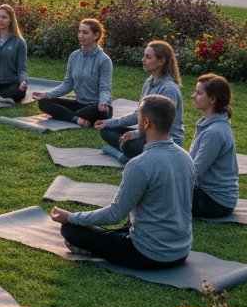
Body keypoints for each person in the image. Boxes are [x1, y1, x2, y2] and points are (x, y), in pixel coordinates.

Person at [50, 94, 194, 270]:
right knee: (125, 224)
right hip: (181, 250)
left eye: (138, 116)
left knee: (70, 230)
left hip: (149, 254)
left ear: (147, 122)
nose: (137, 121)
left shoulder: (139, 165)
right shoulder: (186, 158)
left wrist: (71, 217)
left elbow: (115, 214)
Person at [95, 40, 184, 163]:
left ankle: (120, 155)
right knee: (106, 130)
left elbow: (160, 126)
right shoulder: (149, 82)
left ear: (162, 61)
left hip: (164, 141)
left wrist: (135, 134)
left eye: (148, 57)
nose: (143, 59)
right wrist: (109, 123)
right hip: (147, 133)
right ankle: (130, 153)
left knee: (128, 145)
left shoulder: (169, 89)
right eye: (144, 56)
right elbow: (138, 113)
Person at [32, 19, 113, 127]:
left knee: (92, 111)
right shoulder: (74, 56)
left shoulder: (104, 60)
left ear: (96, 35)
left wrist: (103, 103)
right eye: (79, 31)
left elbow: (105, 88)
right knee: (44, 102)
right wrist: (46, 95)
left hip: (96, 106)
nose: (80, 35)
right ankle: (77, 119)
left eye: (85, 32)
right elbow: (67, 84)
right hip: (78, 104)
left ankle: (74, 116)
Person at [188, 73, 239, 219]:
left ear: (212, 99)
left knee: (158, 194)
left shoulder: (214, 132)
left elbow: (195, 172)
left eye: (198, 93)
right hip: (205, 192)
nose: (193, 96)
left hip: (216, 201)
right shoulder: (208, 122)